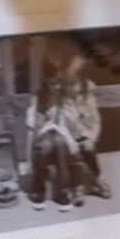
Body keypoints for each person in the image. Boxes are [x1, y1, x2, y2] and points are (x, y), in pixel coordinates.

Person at [25, 58, 78, 211]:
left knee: (59, 142)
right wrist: (49, 125)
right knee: (47, 144)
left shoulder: (64, 95)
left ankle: (62, 193)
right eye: (52, 81)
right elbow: (33, 127)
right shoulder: (38, 97)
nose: (56, 84)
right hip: (43, 137)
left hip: (63, 136)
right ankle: (39, 190)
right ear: (46, 80)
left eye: (58, 80)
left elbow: (71, 124)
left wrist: (62, 120)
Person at [64, 50, 113, 205]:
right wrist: (74, 137)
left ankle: (98, 179)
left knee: (87, 147)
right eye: (71, 80)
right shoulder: (64, 98)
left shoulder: (88, 97)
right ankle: (77, 186)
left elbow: (96, 121)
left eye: (76, 81)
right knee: (75, 149)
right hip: (69, 134)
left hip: (86, 134)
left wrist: (90, 136)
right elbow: (65, 120)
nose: (74, 86)